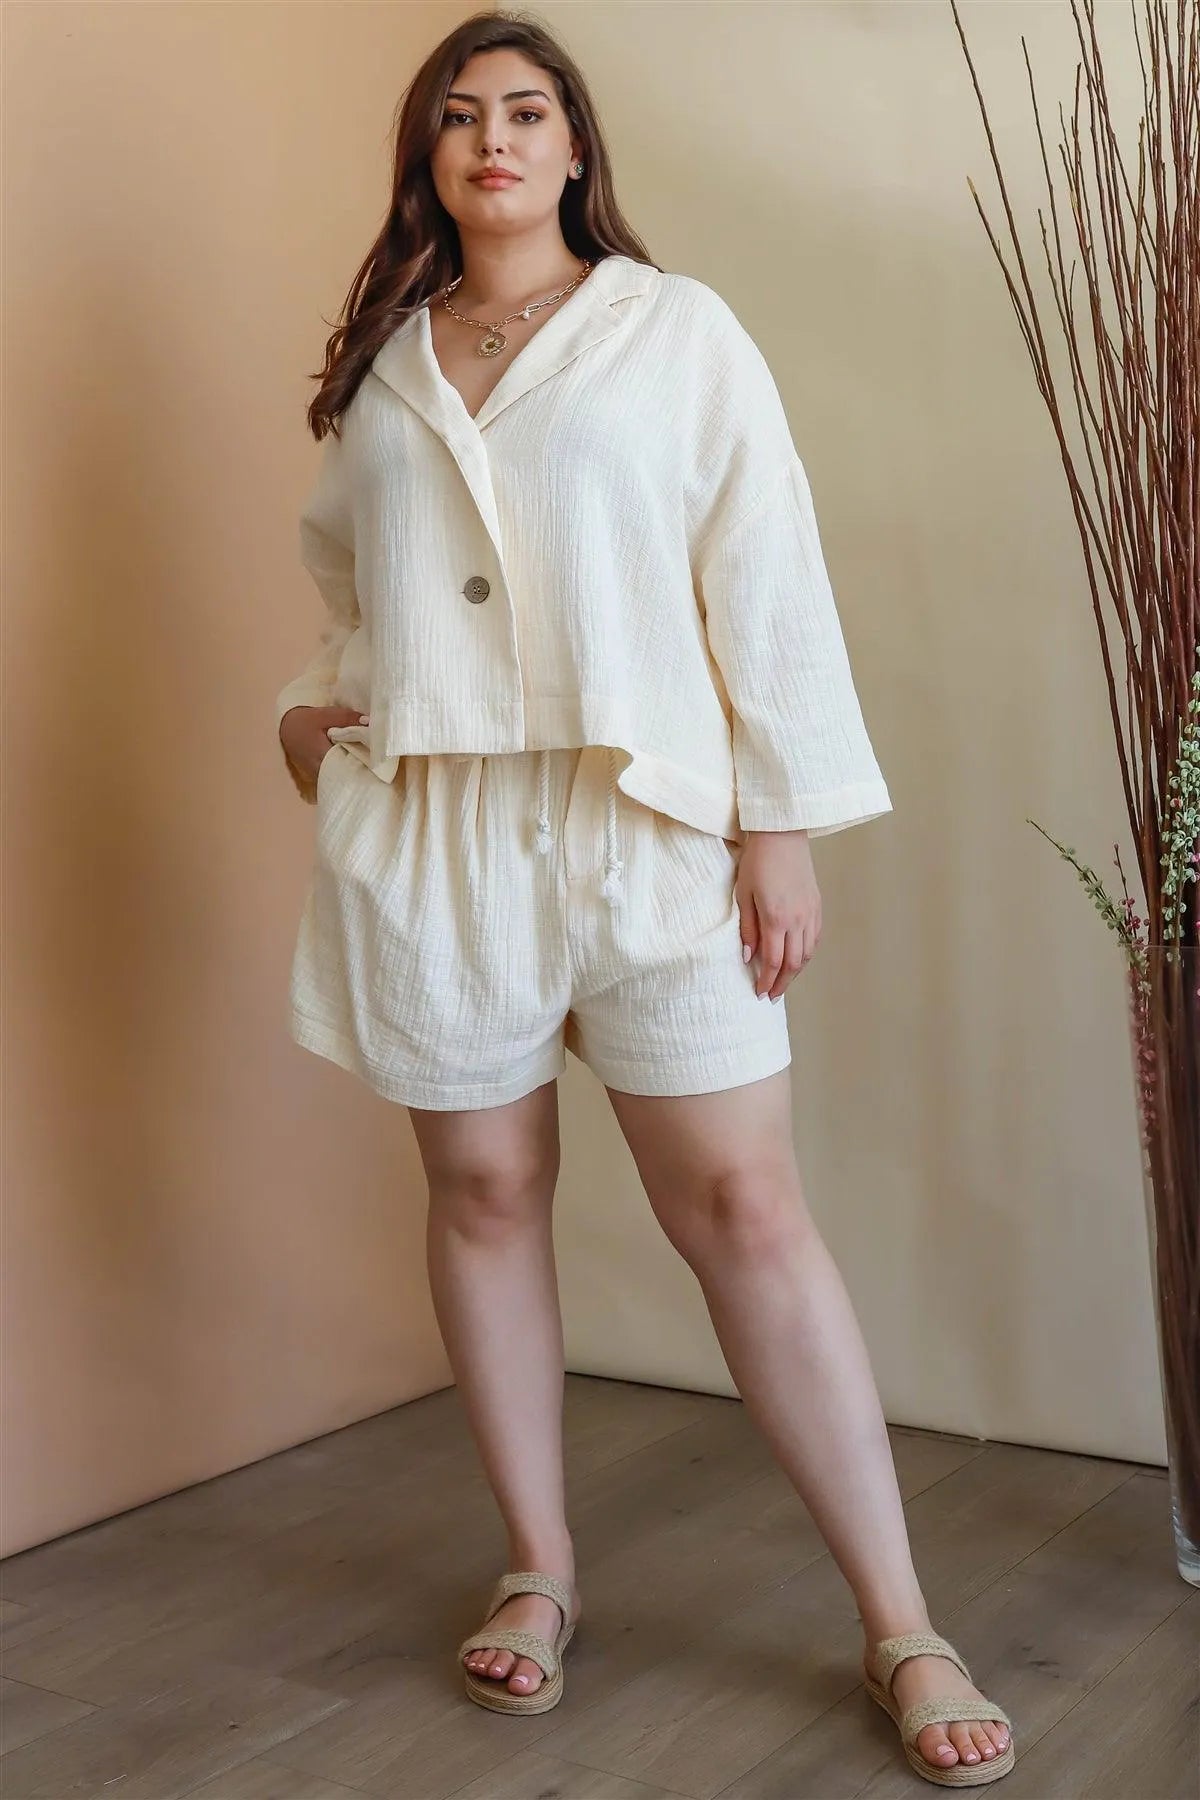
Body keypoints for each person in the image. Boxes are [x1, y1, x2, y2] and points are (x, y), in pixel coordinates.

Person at [274, 11, 1015, 1786]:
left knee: (746, 1208)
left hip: (648, 825)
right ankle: (538, 1568)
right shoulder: (388, 362)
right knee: (483, 1192)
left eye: (527, 110)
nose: (494, 138)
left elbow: (764, 572)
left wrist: (779, 823)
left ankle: (902, 1622)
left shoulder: (674, 332)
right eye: (460, 115)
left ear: (576, 147)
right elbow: (355, 593)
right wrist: (306, 719)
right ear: (427, 158)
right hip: (440, 836)